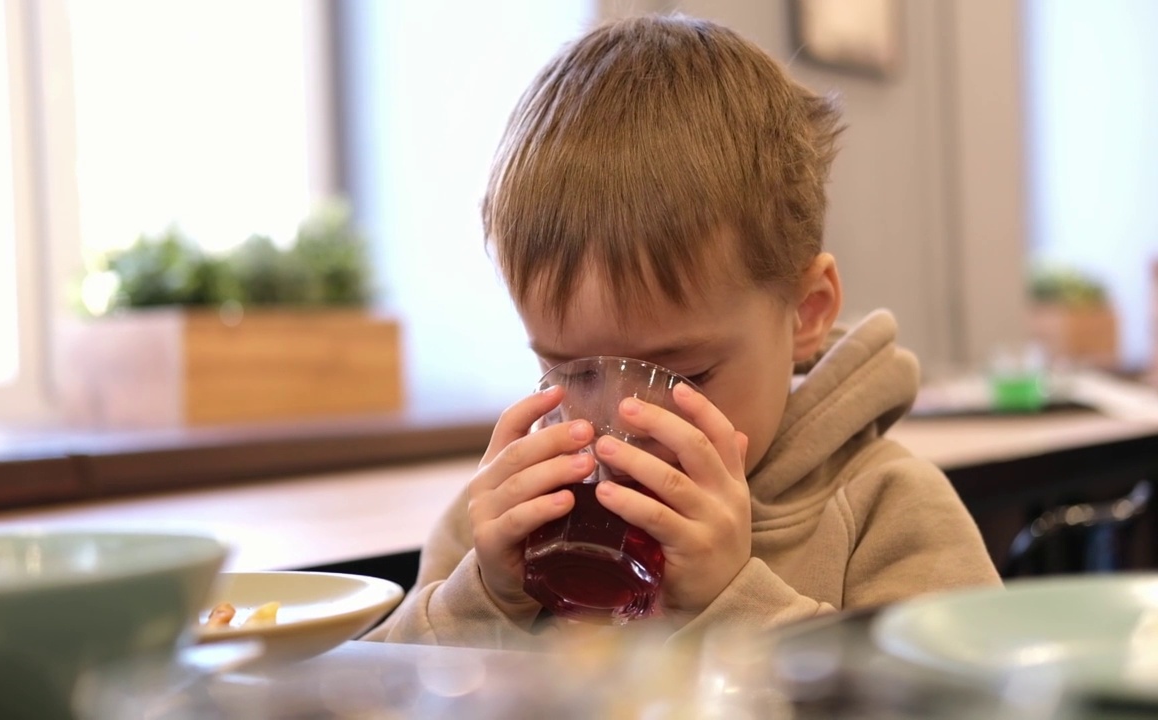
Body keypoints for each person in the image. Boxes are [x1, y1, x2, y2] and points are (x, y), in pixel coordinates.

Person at [366, 13, 1001, 648]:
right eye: (573, 374)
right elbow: (366, 697)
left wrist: (736, 605)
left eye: (683, 376)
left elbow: (964, 698)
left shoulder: (884, 510)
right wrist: (480, 601)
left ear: (806, 313)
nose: (624, 430)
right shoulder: (499, 515)